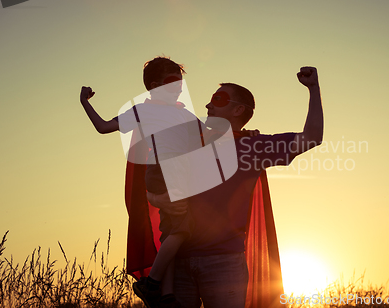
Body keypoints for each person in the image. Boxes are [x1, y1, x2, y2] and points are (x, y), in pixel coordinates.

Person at [146, 66, 324, 308]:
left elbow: (312, 137)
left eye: (218, 100)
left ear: (238, 109)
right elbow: (150, 177)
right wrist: (157, 199)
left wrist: (313, 89)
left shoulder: (253, 147)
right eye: (210, 100)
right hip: (176, 261)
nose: (208, 106)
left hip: (224, 263)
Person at [80, 56, 196, 308]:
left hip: (177, 174)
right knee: (182, 229)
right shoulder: (143, 111)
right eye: (172, 81)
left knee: (171, 233)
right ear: (155, 85)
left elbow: (208, 136)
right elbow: (103, 127)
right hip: (161, 173)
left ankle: (166, 295)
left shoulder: (183, 113)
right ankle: (151, 283)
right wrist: (84, 103)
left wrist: (243, 133)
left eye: (180, 82)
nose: (178, 86)